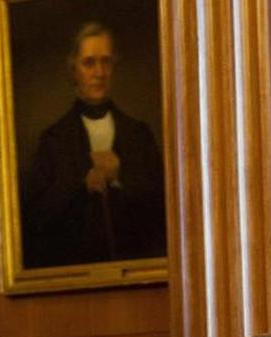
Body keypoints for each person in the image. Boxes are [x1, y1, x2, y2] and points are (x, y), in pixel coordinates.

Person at [20, 21, 166, 268]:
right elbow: (37, 219)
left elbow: (164, 210)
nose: (99, 72)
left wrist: (121, 177)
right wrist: (82, 185)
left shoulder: (139, 134)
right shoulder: (53, 140)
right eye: (89, 63)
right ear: (73, 70)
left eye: (105, 62)